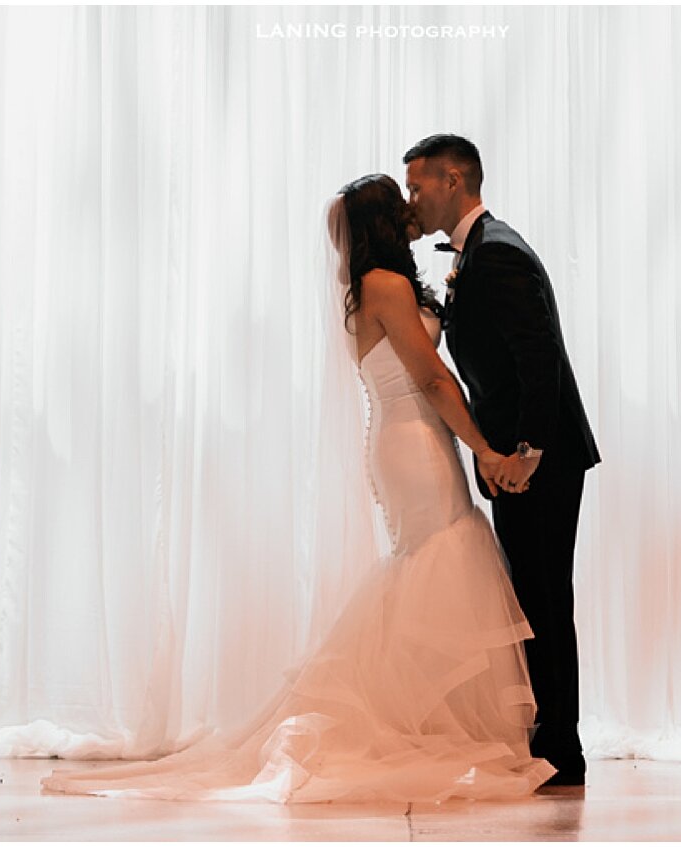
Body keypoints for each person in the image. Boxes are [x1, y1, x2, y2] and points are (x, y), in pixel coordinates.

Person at [43, 173, 554, 803]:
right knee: (442, 558)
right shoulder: (385, 285)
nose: (412, 211)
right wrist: (486, 450)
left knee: (426, 567)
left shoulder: (370, 285)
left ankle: (423, 716)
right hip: (415, 444)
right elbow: (431, 379)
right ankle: (413, 721)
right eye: (402, 206)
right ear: (384, 224)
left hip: (406, 441)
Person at [402, 134, 600, 785]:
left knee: (543, 599)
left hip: (536, 459)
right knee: (536, 597)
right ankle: (550, 737)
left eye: (418, 185)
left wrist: (525, 452)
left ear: (452, 179)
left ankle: (561, 749)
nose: (413, 199)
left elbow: (538, 358)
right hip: (523, 457)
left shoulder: (498, 255)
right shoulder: (482, 251)